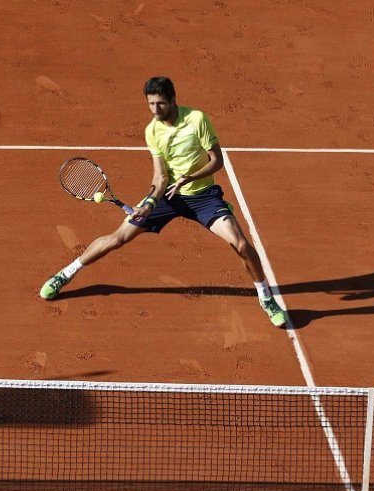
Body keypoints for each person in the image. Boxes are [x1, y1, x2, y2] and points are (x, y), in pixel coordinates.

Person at [39, 76, 288, 328]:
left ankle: (266, 298)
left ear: (173, 100)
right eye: (150, 104)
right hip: (168, 196)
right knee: (118, 238)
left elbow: (217, 161)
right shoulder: (152, 131)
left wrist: (190, 177)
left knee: (241, 244)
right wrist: (148, 203)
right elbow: (160, 177)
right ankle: (65, 274)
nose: (155, 110)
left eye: (160, 104)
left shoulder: (197, 120)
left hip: (203, 196)